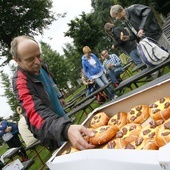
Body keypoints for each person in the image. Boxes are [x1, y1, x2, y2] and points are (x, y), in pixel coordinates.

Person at [11, 35, 95, 151]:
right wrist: (64, 129)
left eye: (38, 55)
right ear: (16, 60)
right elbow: (34, 114)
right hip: (52, 131)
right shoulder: (20, 82)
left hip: (63, 118)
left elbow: (51, 81)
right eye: (30, 59)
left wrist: (59, 95)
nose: (37, 62)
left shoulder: (43, 65)